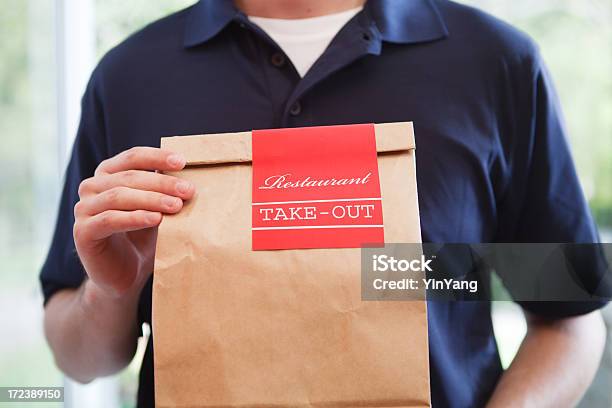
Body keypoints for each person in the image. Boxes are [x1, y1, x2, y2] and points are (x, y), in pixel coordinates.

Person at [40, 0, 607, 407]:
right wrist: (113, 290)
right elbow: (80, 359)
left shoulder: (496, 63)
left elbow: (569, 318)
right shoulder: (131, 77)